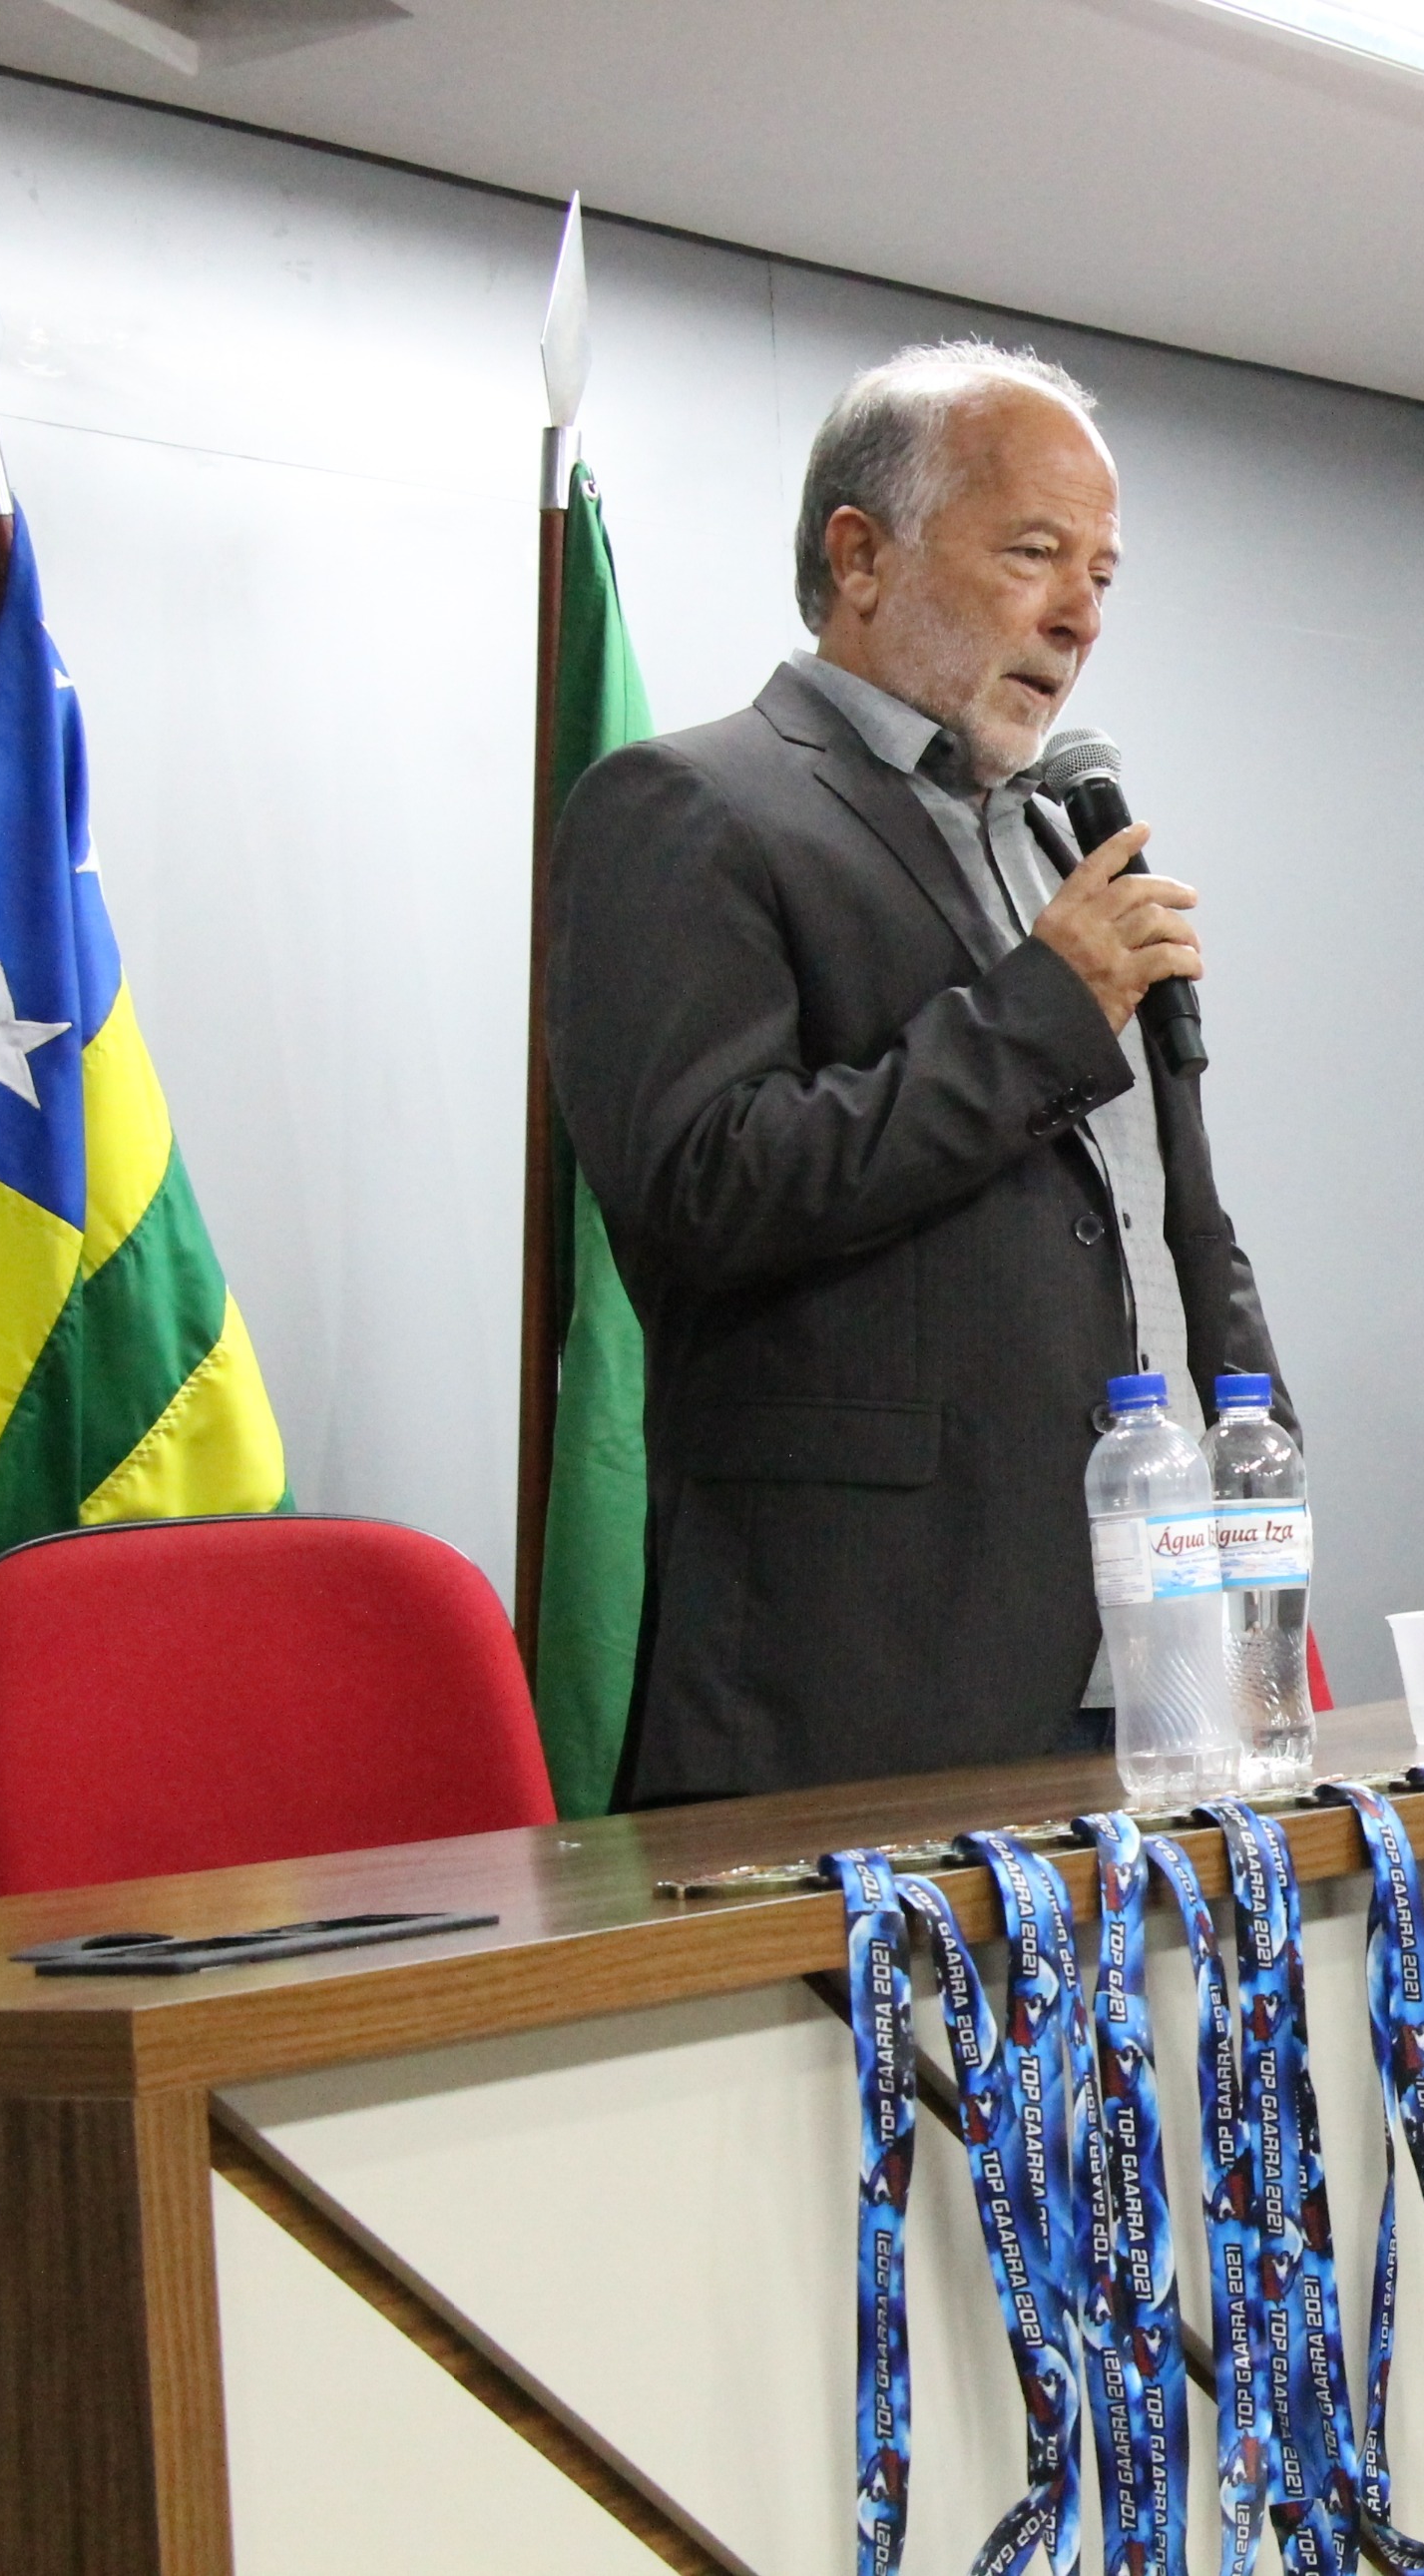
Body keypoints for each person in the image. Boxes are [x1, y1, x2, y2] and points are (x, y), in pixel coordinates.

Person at [551, 339, 1284, 1802]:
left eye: (1102, 573)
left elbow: (1170, 1221)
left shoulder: (1063, 839)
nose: (1079, 615)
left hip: (1163, 1656)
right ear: (861, 556)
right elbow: (705, 1189)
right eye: (1034, 553)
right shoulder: (690, 806)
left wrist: (1263, 1478)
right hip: (864, 1688)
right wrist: (1039, 1013)